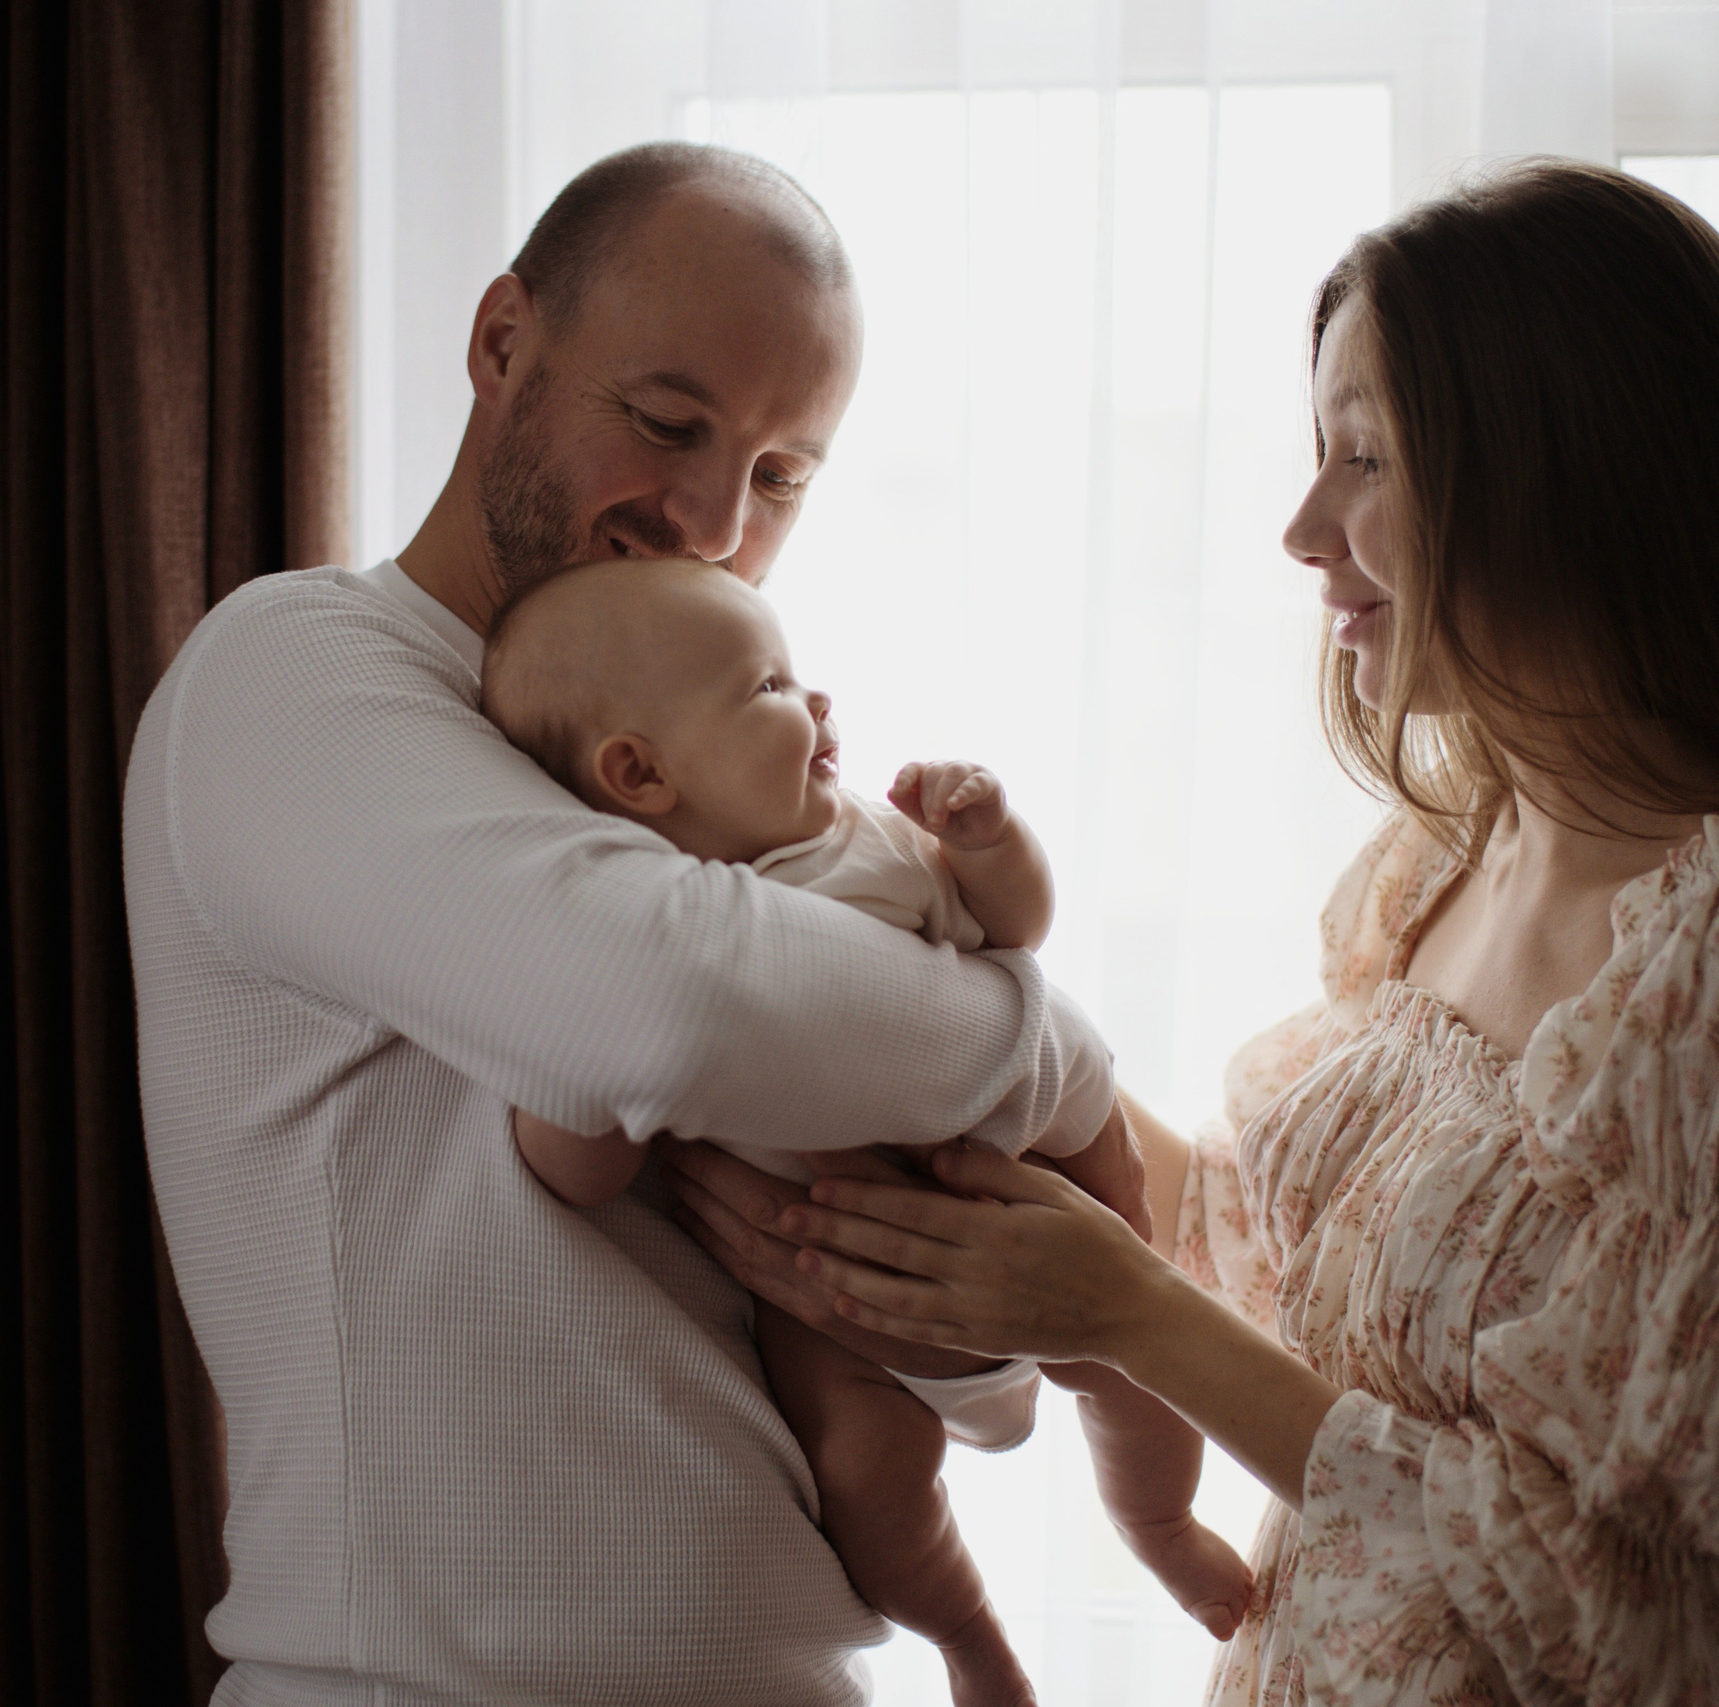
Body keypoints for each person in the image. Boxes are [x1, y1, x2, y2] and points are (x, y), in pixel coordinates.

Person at [675, 159, 1719, 1705]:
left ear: (1570, 471)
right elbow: (1275, 1246)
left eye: (1364, 455)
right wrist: (898, 1003)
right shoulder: (1444, 860)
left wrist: (1123, 1314)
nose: (1303, 526)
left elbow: (1601, 1588)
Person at [123, 142, 1138, 1706]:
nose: (714, 521)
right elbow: (675, 1012)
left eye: (782, 473)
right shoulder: (295, 675)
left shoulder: (722, 784)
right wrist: (1042, 1042)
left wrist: (932, 1283)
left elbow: (986, 1368)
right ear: (501, 341)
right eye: (668, 425)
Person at [478, 558, 1253, 1699]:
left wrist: (988, 841)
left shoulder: (862, 843)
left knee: (1136, 1360)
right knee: (861, 1472)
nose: (819, 701)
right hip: (839, 1303)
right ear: (639, 773)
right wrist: (567, 1039)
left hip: (1029, 1190)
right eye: (769, 687)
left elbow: (1015, 928)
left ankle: (1162, 1526)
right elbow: (575, 1171)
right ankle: (971, 1641)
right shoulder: (630, 940)